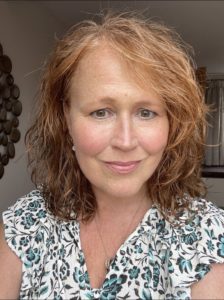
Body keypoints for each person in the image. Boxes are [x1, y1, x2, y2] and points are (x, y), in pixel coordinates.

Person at [0, 11, 224, 300]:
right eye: (101, 112)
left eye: (146, 112)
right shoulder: (23, 226)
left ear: (172, 124)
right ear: (66, 119)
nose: (126, 141)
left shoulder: (208, 236)